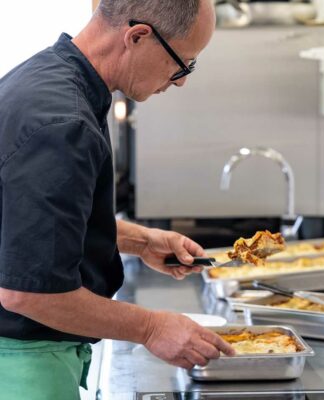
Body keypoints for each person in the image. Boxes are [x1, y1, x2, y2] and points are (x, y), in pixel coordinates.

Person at [0, 0, 234, 398]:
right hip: (21, 363)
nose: (181, 81)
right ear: (138, 36)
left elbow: (23, 220)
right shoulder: (63, 123)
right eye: (184, 63)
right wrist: (152, 327)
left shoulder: (45, 76)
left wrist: (139, 240)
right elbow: (30, 291)